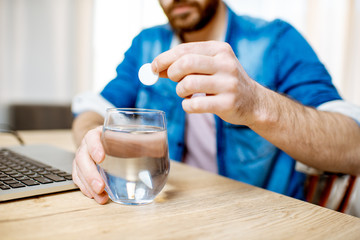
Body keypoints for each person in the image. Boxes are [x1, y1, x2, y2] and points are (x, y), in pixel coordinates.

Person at [71, 0, 360, 204]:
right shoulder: (146, 44)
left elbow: (353, 145)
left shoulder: (277, 40)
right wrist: (91, 138)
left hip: (262, 221)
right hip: (175, 212)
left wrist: (257, 103)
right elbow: (97, 107)